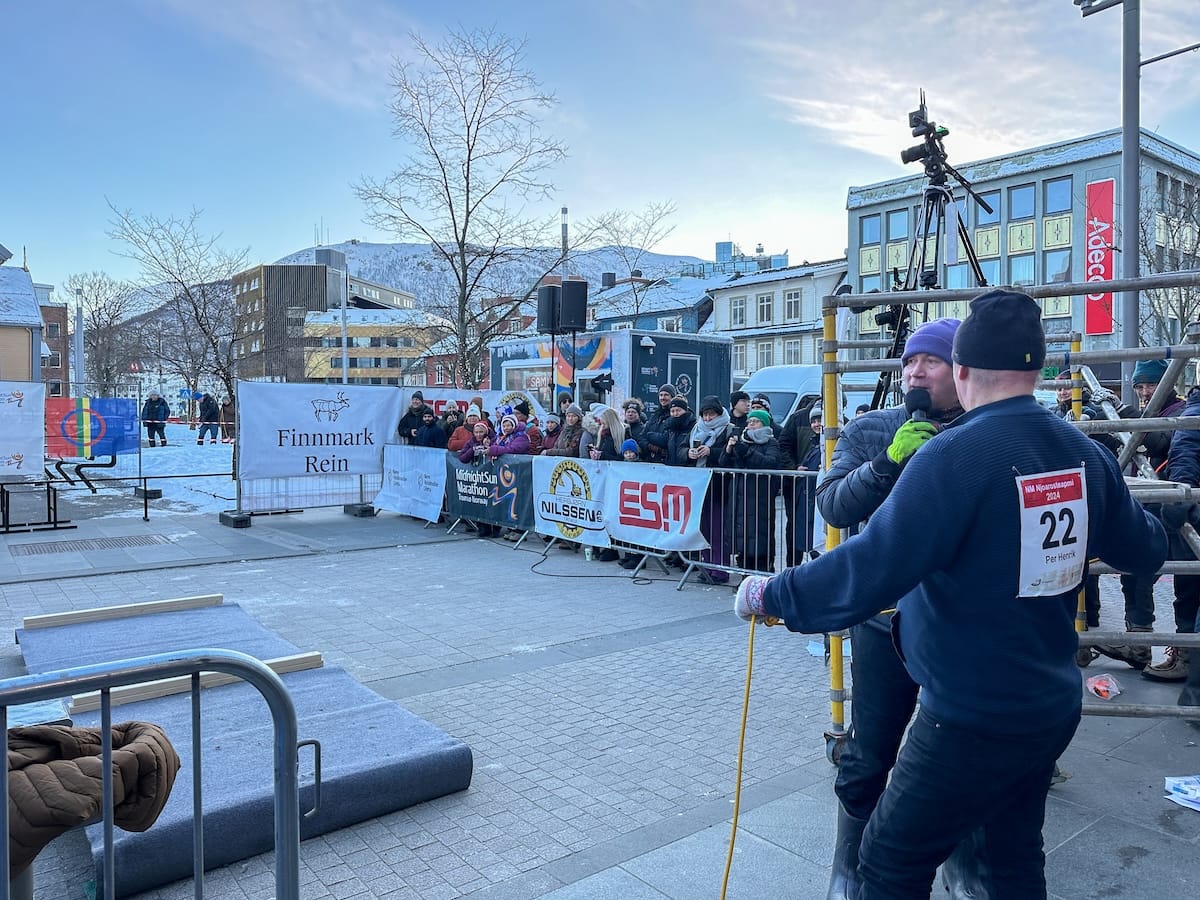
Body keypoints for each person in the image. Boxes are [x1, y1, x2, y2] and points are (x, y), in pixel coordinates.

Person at [734, 290, 1167, 899]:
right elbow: (1144, 549)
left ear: (961, 371)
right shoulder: (1083, 453)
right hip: (1049, 700)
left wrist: (773, 595)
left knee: (888, 859)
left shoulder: (954, 455)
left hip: (971, 712)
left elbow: (871, 564)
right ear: (1038, 370)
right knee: (1012, 857)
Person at [810, 317, 969, 899]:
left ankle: (962, 856)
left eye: (931, 360)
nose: (915, 371)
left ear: (963, 371)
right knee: (870, 748)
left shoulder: (982, 429)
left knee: (963, 742)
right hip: (885, 618)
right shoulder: (874, 429)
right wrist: (887, 466)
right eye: (908, 361)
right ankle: (848, 862)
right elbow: (831, 503)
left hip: (958, 620)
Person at [1093, 358, 1185, 669]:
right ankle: (1139, 641)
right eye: (1140, 385)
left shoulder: (1179, 412)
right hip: (1144, 505)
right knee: (1133, 575)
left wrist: (1123, 412)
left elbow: (1161, 440)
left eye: (1151, 384)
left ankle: (1181, 649)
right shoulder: (1148, 413)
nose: (1145, 391)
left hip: (1173, 509)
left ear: (1167, 384)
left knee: (1172, 581)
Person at [1145, 384, 1200, 684]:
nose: (1142, 391)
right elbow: (1185, 453)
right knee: (1189, 584)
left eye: (1148, 386)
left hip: (1191, 509)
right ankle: (1187, 653)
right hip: (1194, 513)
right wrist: (1182, 494)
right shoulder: (1193, 412)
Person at [722, 408, 782, 573]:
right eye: (749, 422)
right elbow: (724, 464)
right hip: (740, 497)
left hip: (759, 496)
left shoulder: (771, 443)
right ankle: (745, 576)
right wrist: (728, 449)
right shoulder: (742, 441)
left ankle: (762, 574)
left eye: (755, 421)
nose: (750, 425)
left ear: (764, 424)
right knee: (742, 536)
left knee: (760, 537)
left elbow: (770, 462)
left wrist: (745, 452)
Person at [688, 395, 735, 583]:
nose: (707, 418)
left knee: (718, 529)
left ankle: (720, 569)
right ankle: (706, 567)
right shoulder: (696, 428)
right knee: (703, 529)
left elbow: (730, 456)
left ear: (718, 413)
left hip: (719, 486)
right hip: (699, 487)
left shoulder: (728, 429)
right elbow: (682, 447)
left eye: (711, 414)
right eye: (705, 414)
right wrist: (689, 452)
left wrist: (711, 451)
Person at [644, 384, 677, 463]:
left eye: (666, 395)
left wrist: (649, 435)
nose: (663, 398)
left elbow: (665, 440)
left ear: (672, 397)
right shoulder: (655, 416)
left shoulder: (674, 416)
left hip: (666, 462)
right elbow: (641, 437)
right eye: (661, 395)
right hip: (650, 461)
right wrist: (650, 447)